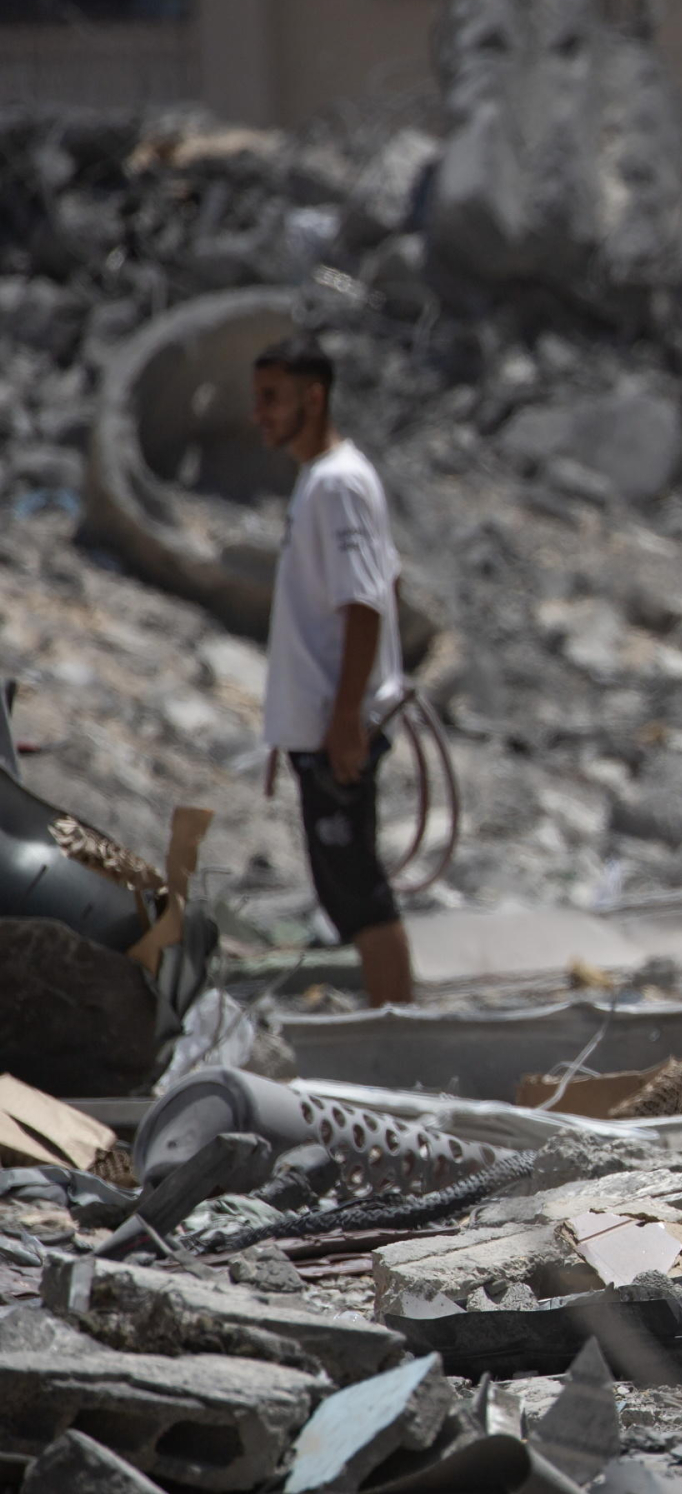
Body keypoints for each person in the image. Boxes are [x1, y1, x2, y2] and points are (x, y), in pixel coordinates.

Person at [250, 332, 416, 1007]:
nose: (260, 413)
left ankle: (400, 1039)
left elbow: (366, 601)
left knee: (361, 896)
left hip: (335, 730)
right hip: (320, 726)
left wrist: (347, 714)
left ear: (313, 398)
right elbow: (381, 585)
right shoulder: (319, 481)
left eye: (273, 399)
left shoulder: (339, 483)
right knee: (345, 891)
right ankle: (393, 1026)